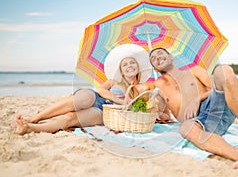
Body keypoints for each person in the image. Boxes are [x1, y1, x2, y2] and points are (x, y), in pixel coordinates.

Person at [149, 47, 238, 169]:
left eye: (160, 53)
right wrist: (158, 115)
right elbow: (165, 116)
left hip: (215, 105)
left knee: (223, 70)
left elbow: (218, 88)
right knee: (185, 128)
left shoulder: (194, 71)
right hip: (199, 122)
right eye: (153, 59)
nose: (157, 57)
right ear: (155, 68)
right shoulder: (158, 86)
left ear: (170, 57)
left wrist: (197, 99)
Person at [13, 44, 153, 135]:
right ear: (121, 70)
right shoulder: (113, 81)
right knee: (83, 99)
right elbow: (100, 90)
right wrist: (116, 98)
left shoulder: (138, 89)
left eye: (132, 63)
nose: (129, 66)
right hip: (96, 98)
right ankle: (34, 118)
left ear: (138, 66)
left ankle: (29, 128)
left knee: (70, 118)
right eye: (125, 64)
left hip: (105, 111)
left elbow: (144, 108)